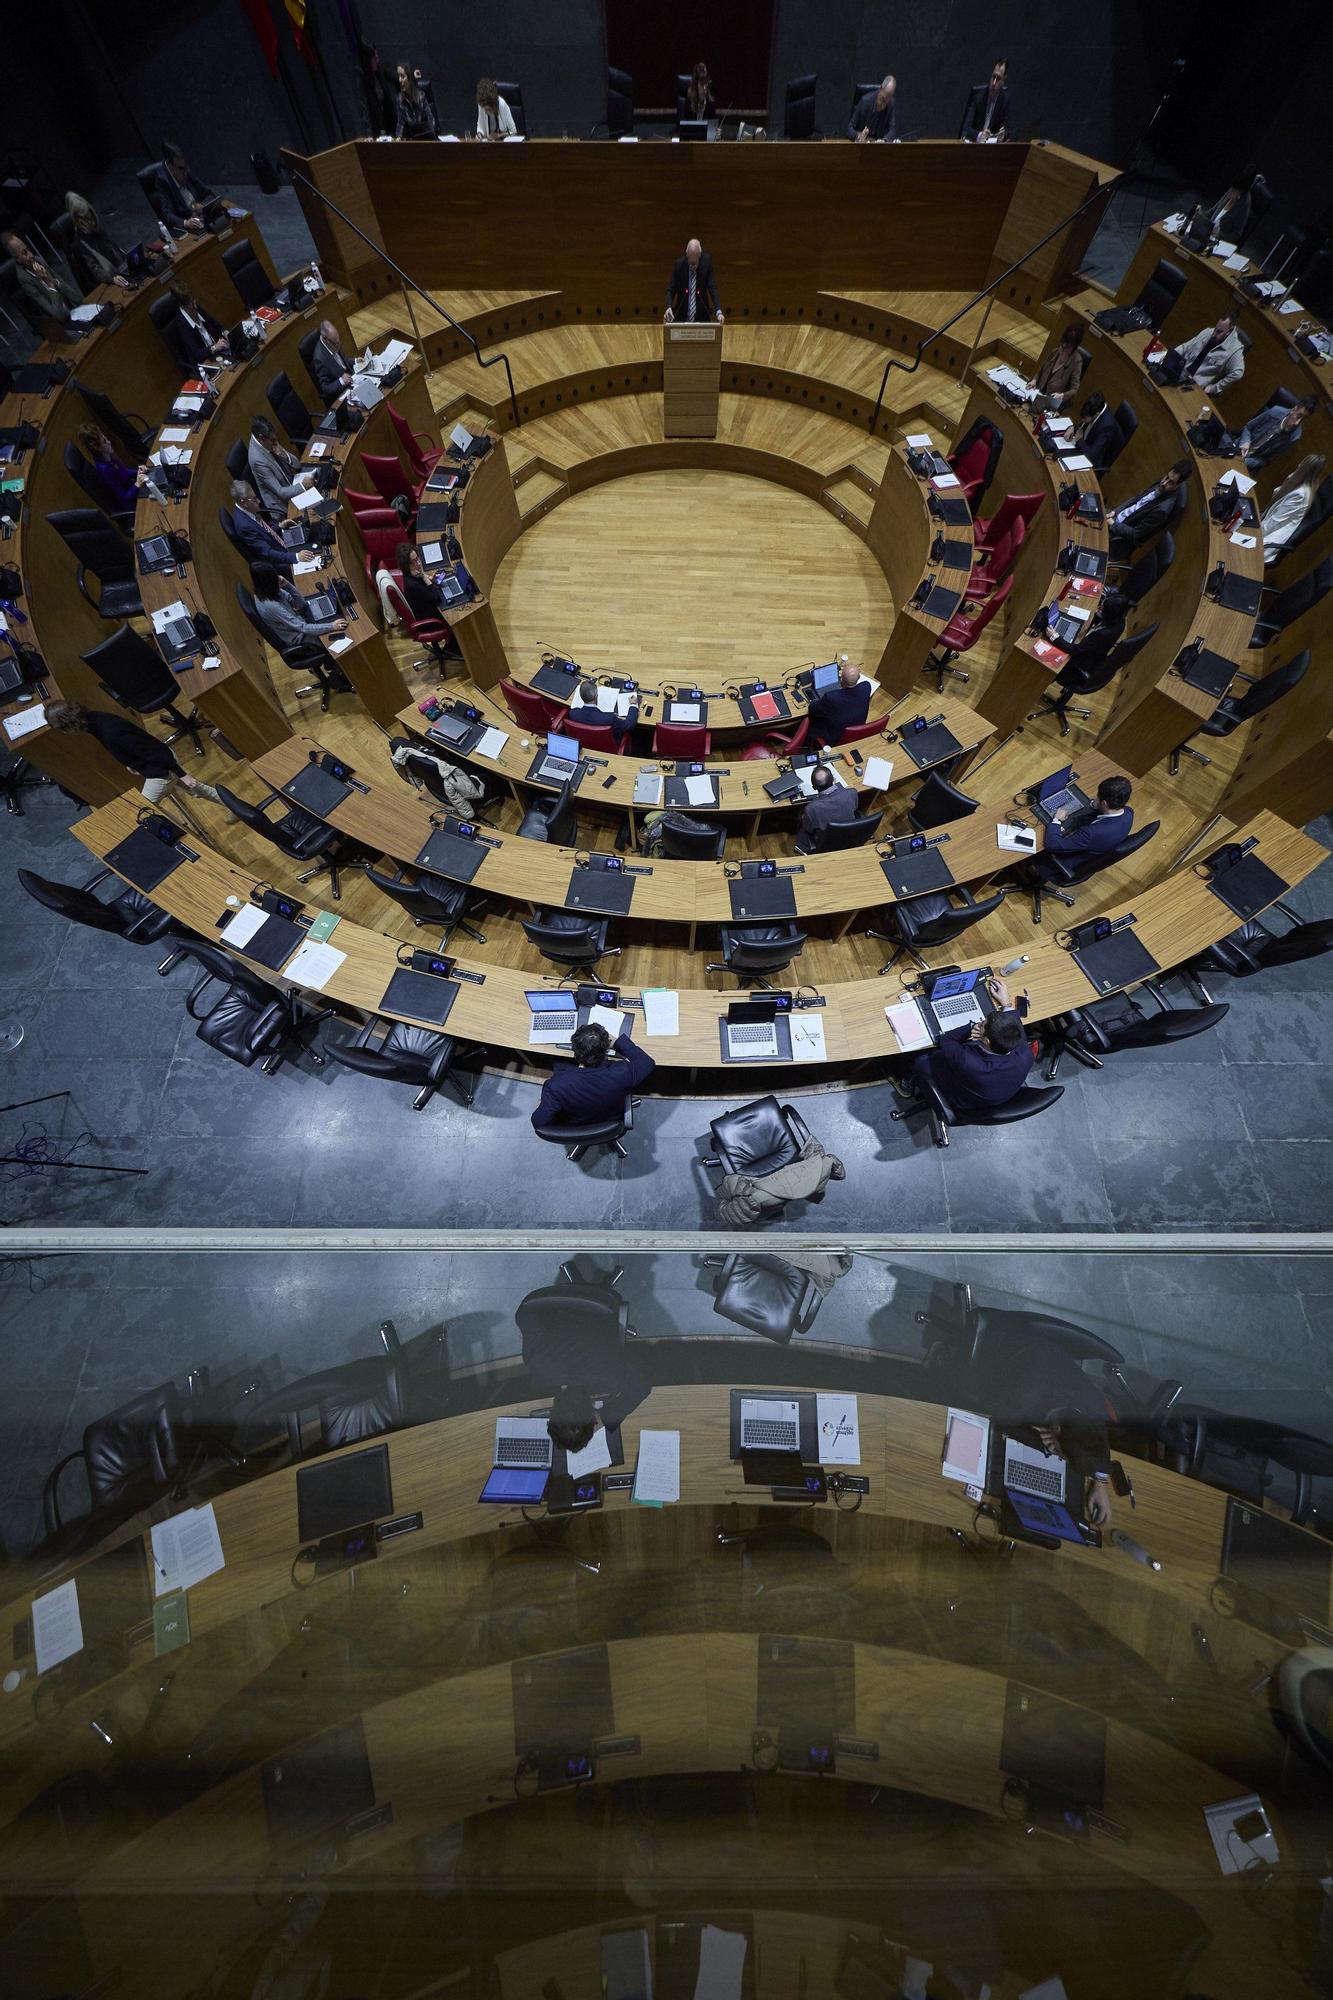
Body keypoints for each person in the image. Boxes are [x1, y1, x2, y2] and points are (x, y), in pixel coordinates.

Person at [45, 700, 222, 806]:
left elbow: (151, 751)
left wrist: (180, 773)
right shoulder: (95, 719)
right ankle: (238, 807)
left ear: (69, 725)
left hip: (162, 767)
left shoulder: (110, 732)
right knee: (200, 790)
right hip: (156, 763)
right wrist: (131, 763)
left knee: (146, 810)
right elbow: (133, 746)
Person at [909, 973, 1034, 1115]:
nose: (980, 1022)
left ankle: (909, 1083)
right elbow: (1015, 1026)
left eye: (982, 1024)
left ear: (986, 1040)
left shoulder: (971, 1063)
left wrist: (971, 1027)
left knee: (923, 1058)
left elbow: (947, 1040)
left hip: (963, 1100)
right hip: (997, 1092)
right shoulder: (1025, 1053)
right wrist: (1006, 1004)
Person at [531, 1020, 655, 1133]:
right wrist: (617, 1042)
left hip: (574, 1125)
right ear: (606, 1049)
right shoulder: (622, 1073)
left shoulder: (556, 1086)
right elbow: (647, 1062)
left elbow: (539, 1122)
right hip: (610, 1120)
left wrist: (541, 1106)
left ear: (575, 1052)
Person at [249, 560, 348, 655]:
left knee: (329, 616)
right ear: (268, 581)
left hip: (301, 622)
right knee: (344, 635)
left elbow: (301, 604)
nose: (277, 577)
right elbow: (302, 628)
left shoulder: (268, 590)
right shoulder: (271, 606)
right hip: (300, 638)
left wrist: (287, 585)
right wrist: (332, 626)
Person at [379, 540, 461, 654]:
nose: (418, 563)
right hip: (430, 622)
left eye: (417, 558)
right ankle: (456, 648)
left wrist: (425, 577)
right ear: (406, 565)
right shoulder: (412, 584)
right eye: (413, 562)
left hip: (425, 610)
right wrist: (425, 577)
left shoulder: (409, 575)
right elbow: (436, 597)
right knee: (457, 616)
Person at [1038, 773, 1133, 867]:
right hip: (1097, 848)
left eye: (1098, 797)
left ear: (1104, 803)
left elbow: (1052, 845)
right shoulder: (1129, 813)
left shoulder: (1090, 833)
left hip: (1067, 862)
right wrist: (1097, 805)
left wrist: (1056, 820)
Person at [1108, 460, 1190, 556]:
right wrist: (1114, 512)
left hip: (1117, 534)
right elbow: (1136, 499)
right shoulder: (1161, 484)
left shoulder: (1162, 510)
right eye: (1166, 477)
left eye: (1171, 482)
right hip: (1114, 517)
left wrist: (1113, 524)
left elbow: (1136, 534)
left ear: (1177, 486)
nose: (1164, 483)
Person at [2, 231, 81, 329]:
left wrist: (53, 280)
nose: (31, 255)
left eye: (28, 249)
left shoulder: (39, 261)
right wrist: (49, 284)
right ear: (17, 259)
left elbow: (77, 298)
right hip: (63, 326)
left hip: (75, 311)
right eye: (24, 253)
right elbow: (59, 316)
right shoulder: (25, 281)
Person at [1261, 453, 1325, 566]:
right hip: (1267, 525)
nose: (1299, 464)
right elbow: (1276, 496)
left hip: (1268, 539)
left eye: (1302, 463)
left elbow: (1274, 521)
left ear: (1305, 468)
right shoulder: (1299, 482)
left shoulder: (1300, 495)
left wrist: (1253, 532)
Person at [247, 414, 315, 516]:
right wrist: (303, 486)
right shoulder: (257, 460)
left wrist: (285, 455)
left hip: (292, 484)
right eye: (273, 441)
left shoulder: (269, 441)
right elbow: (281, 492)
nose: (275, 442)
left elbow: (297, 465)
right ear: (262, 438)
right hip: (282, 505)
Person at [64, 193, 130, 291]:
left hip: (122, 271)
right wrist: (112, 278)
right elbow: (95, 270)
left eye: (91, 217)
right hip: (108, 283)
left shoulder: (96, 227)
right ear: (78, 220)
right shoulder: (79, 243)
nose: (91, 222)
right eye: (87, 219)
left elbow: (113, 247)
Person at [229, 479, 299, 571]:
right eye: (254, 499)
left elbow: (264, 532)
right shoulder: (244, 526)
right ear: (244, 502)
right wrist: (296, 557)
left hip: (283, 545)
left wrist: (279, 526)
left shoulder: (247, 510)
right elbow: (267, 553)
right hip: (282, 562)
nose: (258, 501)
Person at [152, 143, 222, 234]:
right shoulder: (162, 180)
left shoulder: (185, 170)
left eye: (185, 168)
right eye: (181, 169)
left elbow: (209, 194)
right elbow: (167, 215)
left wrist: (203, 207)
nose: (186, 172)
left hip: (202, 218)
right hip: (188, 228)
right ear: (170, 166)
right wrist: (186, 223)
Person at [1239, 394, 1317, 475]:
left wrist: (1248, 462)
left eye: (1303, 419)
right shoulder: (1275, 411)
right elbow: (1248, 427)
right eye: (1299, 416)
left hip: (1249, 463)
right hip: (1239, 448)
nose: (1298, 422)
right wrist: (1245, 442)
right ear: (1294, 409)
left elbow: (1267, 460)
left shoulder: (1294, 436)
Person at [1171, 313, 1245, 393]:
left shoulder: (1234, 349)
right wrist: (1170, 355)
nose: (1214, 334)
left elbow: (1237, 374)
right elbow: (1185, 347)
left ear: (1229, 331)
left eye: (1219, 332)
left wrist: (1213, 389)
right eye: (1215, 329)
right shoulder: (1208, 332)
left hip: (1194, 386)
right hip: (1180, 371)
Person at [161, 281, 228, 368]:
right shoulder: (181, 323)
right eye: (190, 304)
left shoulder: (196, 307)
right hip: (204, 362)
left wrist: (225, 333)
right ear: (182, 306)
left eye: (193, 300)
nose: (194, 306)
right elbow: (197, 354)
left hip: (217, 354)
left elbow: (216, 325)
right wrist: (214, 347)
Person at [77, 424, 140, 515]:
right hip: (132, 504)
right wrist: (138, 484)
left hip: (134, 491)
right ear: (97, 448)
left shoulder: (109, 458)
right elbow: (124, 498)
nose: (109, 442)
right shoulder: (105, 469)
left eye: (106, 438)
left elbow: (124, 473)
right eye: (105, 442)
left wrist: (138, 472)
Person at [795, 762, 860, 851]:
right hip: (850, 834)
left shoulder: (811, 808)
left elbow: (808, 829)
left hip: (826, 841)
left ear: (814, 787)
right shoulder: (852, 792)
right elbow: (855, 808)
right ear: (834, 780)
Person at [807, 657, 872, 743]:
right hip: (854, 732)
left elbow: (812, 709)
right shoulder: (866, 687)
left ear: (841, 681)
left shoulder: (831, 698)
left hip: (834, 737)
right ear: (859, 677)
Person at [566, 675, 639, 747]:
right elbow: (629, 725)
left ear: (581, 696)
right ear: (596, 695)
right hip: (608, 748)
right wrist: (633, 704)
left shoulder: (573, 713)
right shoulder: (609, 718)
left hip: (584, 744)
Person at [664, 239, 722, 324]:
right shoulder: (679, 265)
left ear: (700, 255)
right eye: (690, 263)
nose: (693, 266)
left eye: (695, 263)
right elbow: (671, 290)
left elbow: (712, 288)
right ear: (687, 255)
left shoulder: (706, 262)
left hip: (702, 316)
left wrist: (718, 311)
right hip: (682, 316)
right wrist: (668, 307)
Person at [1032, 320, 1085, 410]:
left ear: (1074, 345)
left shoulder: (1077, 361)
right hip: (1035, 394)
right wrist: (1034, 380)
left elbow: (1074, 390)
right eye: (1064, 343)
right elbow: (1041, 370)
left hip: (1048, 404)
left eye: (1068, 345)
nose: (1064, 347)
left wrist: (1062, 395)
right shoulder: (1056, 351)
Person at [1071, 390, 1120, 475]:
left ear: (1096, 415)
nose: (1083, 420)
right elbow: (1083, 422)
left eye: (1085, 419)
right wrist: (1072, 428)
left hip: (1090, 462)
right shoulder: (1095, 408)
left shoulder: (1107, 426)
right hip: (1083, 448)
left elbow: (1092, 455)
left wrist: (1079, 440)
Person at [963, 59, 1009, 142]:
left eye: (998, 78)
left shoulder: (1004, 100)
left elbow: (1009, 128)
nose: (994, 83)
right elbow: (966, 128)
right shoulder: (978, 98)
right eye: (993, 76)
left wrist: (1003, 135)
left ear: (1003, 81)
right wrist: (979, 135)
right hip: (974, 145)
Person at [310, 318, 355, 404]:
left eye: (338, 342)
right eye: (336, 343)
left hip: (352, 382)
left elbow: (341, 363)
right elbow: (325, 389)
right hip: (342, 395)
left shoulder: (333, 342)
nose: (338, 346)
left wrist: (355, 361)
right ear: (325, 339)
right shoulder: (320, 359)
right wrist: (341, 381)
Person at [358, 42, 397, 138]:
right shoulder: (363, 80)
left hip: (388, 117)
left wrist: (410, 76)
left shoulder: (380, 71)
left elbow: (395, 78)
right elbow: (365, 110)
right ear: (368, 61)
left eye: (377, 56)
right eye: (374, 59)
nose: (377, 60)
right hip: (377, 123)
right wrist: (369, 134)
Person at [848, 75, 897, 143]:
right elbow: (849, 129)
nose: (885, 102)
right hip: (862, 145)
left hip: (878, 146)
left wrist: (885, 140)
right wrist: (858, 135)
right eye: (883, 99)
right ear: (880, 89)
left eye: (889, 98)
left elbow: (892, 130)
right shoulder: (865, 101)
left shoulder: (890, 103)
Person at [395, 64, 437, 141]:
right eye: (399, 76)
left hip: (424, 139)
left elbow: (431, 119)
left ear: (410, 79)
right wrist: (398, 137)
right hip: (410, 140)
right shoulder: (400, 99)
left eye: (402, 76)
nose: (399, 80)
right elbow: (400, 123)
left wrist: (429, 134)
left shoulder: (421, 97)